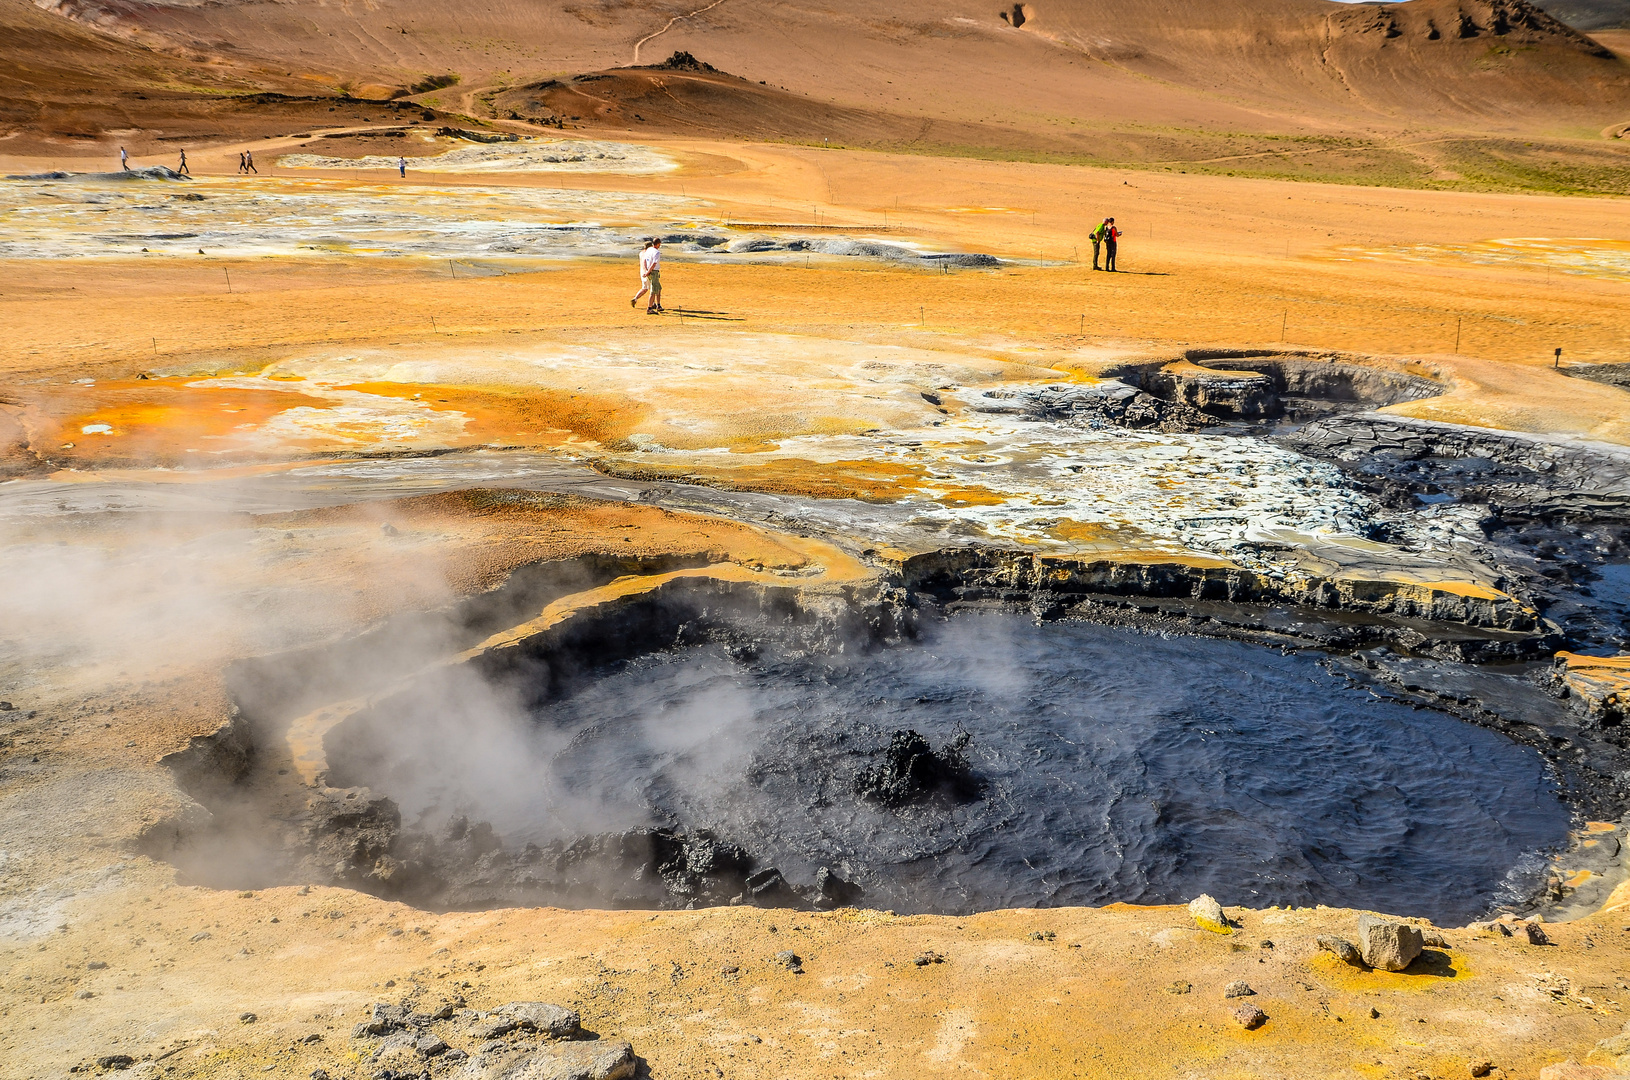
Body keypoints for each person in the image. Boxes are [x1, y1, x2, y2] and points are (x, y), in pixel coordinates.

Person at [631, 238, 663, 313]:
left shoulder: (642, 253)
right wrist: (648, 271)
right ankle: (651, 306)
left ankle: (653, 303)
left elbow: (645, 262)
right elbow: (653, 263)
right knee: (652, 289)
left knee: (649, 288)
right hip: (648, 272)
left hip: (644, 272)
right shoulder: (651, 252)